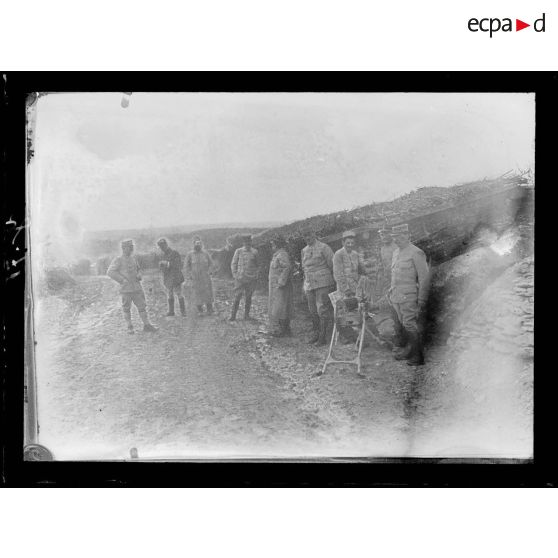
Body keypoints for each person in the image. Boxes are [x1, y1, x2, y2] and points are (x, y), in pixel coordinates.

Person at [388, 224, 429, 365]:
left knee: (410, 325)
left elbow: (424, 278)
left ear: (407, 235)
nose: (397, 240)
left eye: (400, 237)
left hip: (409, 295)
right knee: (404, 324)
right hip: (396, 296)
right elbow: (394, 275)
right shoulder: (395, 253)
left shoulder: (416, 252)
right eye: (394, 237)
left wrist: (422, 299)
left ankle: (418, 357)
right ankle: (409, 351)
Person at [107, 239, 158, 334]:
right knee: (126, 308)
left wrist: (139, 275)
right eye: (129, 247)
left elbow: (139, 270)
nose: (131, 249)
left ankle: (147, 325)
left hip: (136, 288)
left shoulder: (133, 259)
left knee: (142, 306)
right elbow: (110, 272)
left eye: (132, 247)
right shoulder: (118, 260)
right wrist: (122, 280)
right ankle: (129, 327)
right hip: (126, 289)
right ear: (124, 248)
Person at [301, 228, 335, 345]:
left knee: (322, 310)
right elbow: (304, 269)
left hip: (323, 283)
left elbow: (332, 265)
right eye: (305, 236)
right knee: (312, 311)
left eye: (309, 235)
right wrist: (304, 285)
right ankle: (316, 334)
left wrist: (334, 282)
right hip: (309, 284)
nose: (307, 238)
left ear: (314, 234)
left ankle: (323, 337)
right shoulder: (304, 250)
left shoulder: (324, 248)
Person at [332, 230, 367, 344]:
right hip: (344, 289)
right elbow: (338, 273)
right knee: (344, 313)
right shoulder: (338, 254)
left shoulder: (355, 254)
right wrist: (346, 289)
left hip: (355, 287)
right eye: (348, 243)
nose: (350, 245)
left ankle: (357, 337)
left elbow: (360, 270)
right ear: (343, 242)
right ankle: (347, 336)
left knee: (355, 312)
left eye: (352, 243)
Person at [267, 235, 293, 337]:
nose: (272, 246)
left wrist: (281, 282)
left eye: (273, 244)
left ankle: (283, 330)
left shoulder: (282, 254)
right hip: (275, 286)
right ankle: (283, 329)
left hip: (281, 286)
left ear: (277, 244)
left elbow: (287, 267)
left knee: (282, 307)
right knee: (278, 306)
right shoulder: (277, 255)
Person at [230, 234, 259, 321]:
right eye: (246, 242)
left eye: (249, 242)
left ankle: (246, 315)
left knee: (248, 296)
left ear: (251, 242)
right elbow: (233, 264)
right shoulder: (238, 251)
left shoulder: (255, 252)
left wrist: (255, 275)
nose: (247, 244)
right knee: (237, 296)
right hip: (240, 278)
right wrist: (235, 274)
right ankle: (233, 316)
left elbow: (258, 265)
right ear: (243, 243)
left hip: (251, 278)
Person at [185, 235, 215, 316]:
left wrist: (210, 271)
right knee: (197, 293)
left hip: (205, 277)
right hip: (195, 277)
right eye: (196, 244)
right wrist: (189, 275)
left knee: (208, 292)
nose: (198, 245)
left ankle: (210, 309)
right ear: (194, 244)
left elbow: (211, 263)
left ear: (201, 244)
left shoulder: (205, 253)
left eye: (199, 243)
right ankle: (200, 310)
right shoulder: (190, 254)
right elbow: (187, 266)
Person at [156, 238, 186, 317]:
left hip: (176, 276)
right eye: (160, 247)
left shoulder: (174, 253)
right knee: (169, 294)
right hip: (168, 277)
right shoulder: (162, 255)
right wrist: (161, 266)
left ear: (166, 245)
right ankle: (171, 312)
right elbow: (161, 267)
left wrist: (168, 263)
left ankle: (183, 312)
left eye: (163, 246)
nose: (162, 248)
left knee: (179, 293)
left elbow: (179, 264)